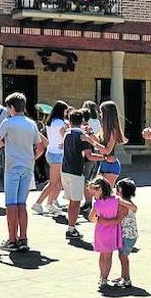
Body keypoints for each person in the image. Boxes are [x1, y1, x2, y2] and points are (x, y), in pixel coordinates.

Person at [0, 92, 45, 252]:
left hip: (12, 167)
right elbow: (40, 147)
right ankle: (23, 238)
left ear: (11, 107)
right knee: (21, 204)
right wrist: (32, 158)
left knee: (11, 204)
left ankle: (12, 240)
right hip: (27, 166)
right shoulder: (31, 124)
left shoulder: (8, 122)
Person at [60, 109, 103, 240]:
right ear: (82, 120)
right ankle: (71, 228)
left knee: (71, 202)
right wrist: (104, 157)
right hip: (76, 171)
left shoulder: (67, 133)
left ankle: (71, 226)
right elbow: (89, 156)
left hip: (65, 170)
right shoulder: (82, 135)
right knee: (76, 202)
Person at [88, 177, 127, 287]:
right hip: (113, 231)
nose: (92, 194)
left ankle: (102, 276)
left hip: (101, 232)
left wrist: (100, 220)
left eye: (93, 191)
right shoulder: (116, 200)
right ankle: (105, 277)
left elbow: (91, 218)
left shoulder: (97, 204)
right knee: (108, 256)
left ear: (100, 190)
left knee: (102, 254)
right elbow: (122, 212)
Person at [31, 101, 69, 215]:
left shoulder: (51, 122)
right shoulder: (61, 123)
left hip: (52, 152)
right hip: (58, 154)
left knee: (58, 182)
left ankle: (50, 203)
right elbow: (65, 137)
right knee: (54, 182)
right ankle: (38, 203)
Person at [83, 101, 126, 187]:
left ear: (107, 114)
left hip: (111, 165)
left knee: (106, 194)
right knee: (98, 192)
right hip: (104, 163)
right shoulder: (104, 129)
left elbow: (107, 150)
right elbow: (99, 142)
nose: (100, 114)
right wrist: (90, 134)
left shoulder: (112, 131)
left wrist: (91, 141)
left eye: (101, 112)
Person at [113, 178, 138, 288]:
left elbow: (132, 208)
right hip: (127, 235)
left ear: (121, 190)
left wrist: (116, 199)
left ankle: (127, 279)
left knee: (123, 257)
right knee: (122, 255)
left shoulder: (126, 204)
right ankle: (123, 276)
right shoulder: (127, 203)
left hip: (127, 235)